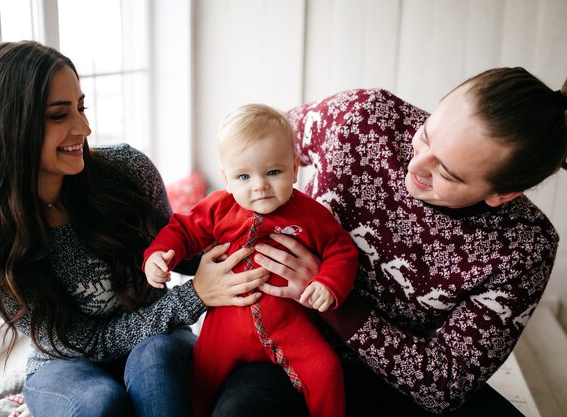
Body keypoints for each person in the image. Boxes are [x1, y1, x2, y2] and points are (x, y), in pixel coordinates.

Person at [208, 67, 567, 417]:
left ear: (502, 195)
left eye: (446, 173)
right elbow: (259, 148)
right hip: (284, 341)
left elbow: (444, 384)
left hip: (392, 380)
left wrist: (333, 299)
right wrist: (206, 269)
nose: (415, 164)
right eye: (425, 134)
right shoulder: (364, 117)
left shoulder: (525, 247)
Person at [0, 41, 270, 417]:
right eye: (58, 115)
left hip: (158, 342)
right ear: (7, 128)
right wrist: (194, 296)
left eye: (81, 107)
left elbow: (183, 254)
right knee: (99, 403)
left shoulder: (128, 171)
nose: (84, 127)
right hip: (64, 364)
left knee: (157, 361)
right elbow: (83, 342)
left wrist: (259, 229)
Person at [143, 103, 359, 417]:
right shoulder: (219, 207)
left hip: (288, 324)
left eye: (273, 172)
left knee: (326, 370)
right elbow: (183, 230)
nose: (260, 185)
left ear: (295, 168)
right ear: (226, 179)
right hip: (225, 327)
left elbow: (341, 250)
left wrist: (328, 283)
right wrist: (159, 256)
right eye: (244, 176)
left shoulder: (310, 214)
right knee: (199, 382)